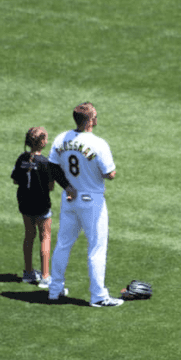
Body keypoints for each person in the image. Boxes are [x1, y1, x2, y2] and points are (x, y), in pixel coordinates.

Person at [47, 102, 123, 307]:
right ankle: (98, 296)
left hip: (69, 198)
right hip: (92, 201)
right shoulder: (99, 144)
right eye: (95, 116)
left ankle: (54, 290)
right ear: (89, 121)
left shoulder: (61, 139)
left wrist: (67, 186)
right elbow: (110, 174)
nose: (97, 119)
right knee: (97, 248)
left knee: (63, 244)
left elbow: (52, 166)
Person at [11, 126, 75, 289]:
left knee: (29, 235)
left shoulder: (22, 159)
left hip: (25, 203)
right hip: (41, 205)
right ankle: (45, 276)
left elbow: (15, 180)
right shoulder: (45, 162)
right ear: (41, 142)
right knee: (45, 237)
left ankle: (28, 272)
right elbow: (51, 187)